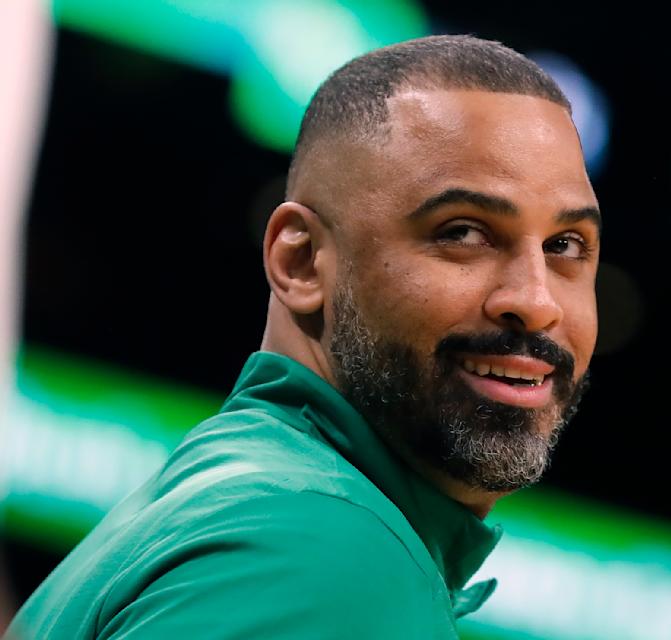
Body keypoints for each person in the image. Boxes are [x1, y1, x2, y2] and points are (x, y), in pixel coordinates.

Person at [6, 34, 601, 639]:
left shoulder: (233, 500)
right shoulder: (325, 554)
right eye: (464, 232)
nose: (535, 301)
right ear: (302, 262)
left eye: (566, 246)